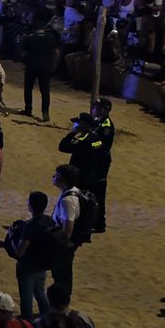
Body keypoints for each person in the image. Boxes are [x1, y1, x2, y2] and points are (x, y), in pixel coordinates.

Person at [57, 99, 114, 233]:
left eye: (98, 108)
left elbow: (63, 147)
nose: (95, 110)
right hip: (94, 166)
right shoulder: (94, 131)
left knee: (92, 195)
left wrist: (74, 133)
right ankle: (97, 223)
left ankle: (92, 224)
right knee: (95, 194)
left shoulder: (101, 129)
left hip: (95, 167)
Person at [7, 192, 62, 320]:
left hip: (28, 267)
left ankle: (27, 322)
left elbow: (19, 252)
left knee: (26, 298)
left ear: (30, 206)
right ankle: (47, 317)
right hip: (42, 264)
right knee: (40, 293)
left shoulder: (30, 226)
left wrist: (11, 235)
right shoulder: (49, 221)